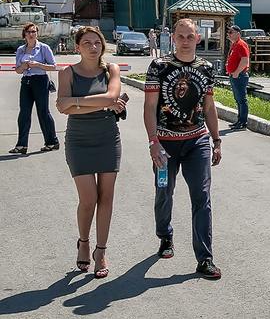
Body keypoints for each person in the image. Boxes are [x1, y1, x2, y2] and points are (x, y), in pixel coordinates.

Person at [144, 18, 224, 280]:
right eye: (181, 36)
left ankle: (205, 258)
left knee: (202, 197)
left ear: (198, 38)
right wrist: (153, 141)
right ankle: (165, 236)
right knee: (164, 192)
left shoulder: (206, 68)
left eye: (190, 36)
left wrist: (216, 140)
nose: (186, 40)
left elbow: (210, 107)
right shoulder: (159, 67)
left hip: (197, 142)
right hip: (165, 145)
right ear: (173, 38)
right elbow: (149, 106)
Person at [55, 26, 126, 278]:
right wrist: (100, 103)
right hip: (79, 141)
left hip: (108, 139)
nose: (93, 47)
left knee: (106, 198)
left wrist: (76, 102)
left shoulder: (111, 70)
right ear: (78, 47)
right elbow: (61, 107)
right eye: (87, 43)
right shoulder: (68, 73)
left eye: (97, 42)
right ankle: (83, 242)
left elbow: (112, 97)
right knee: (88, 199)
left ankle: (101, 250)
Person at [10, 23, 60, 154]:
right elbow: (18, 70)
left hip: (40, 81)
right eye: (29, 32)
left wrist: (38, 64)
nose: (31, 34)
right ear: (24, 35)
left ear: (37, 34)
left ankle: (52, 141)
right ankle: (21, 145)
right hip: (26, 81)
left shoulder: (43, 48)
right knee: (24, 113)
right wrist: (24, 66)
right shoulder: (21, 49)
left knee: (43, 112)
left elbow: (53, 66)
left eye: (34, 32)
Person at [225, 24, 250, 130]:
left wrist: (236, 72)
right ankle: (239, 120)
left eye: (231, 32)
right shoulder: (234, 44)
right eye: (228, 32)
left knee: (242, 99)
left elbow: (245, 61)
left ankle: (243, 122)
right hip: (234, 75)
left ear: (238, 34)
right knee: (238, 99)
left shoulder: (241, 44)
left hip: (239, 76)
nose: (228, 34)